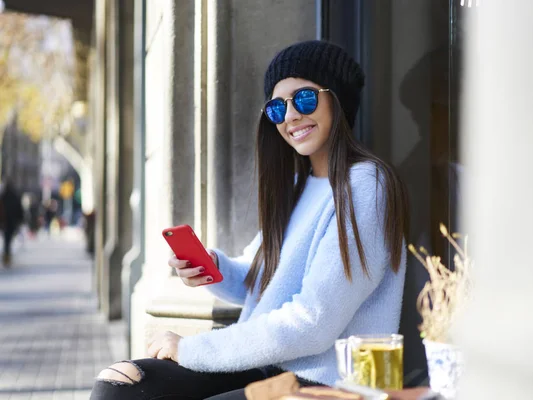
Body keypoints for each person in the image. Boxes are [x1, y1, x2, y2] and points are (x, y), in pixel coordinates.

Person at [90, 40, 409, 400]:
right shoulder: (298, 185)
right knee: (118, 384)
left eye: (304, 99)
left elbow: (313, 323)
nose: (290, 116)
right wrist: (212, 267)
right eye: (277, 107)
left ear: (339, 101)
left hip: (327, 384)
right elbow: (261, 278)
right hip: (267, 367)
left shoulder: (366, 186)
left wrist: (191, 349)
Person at [0, 179, 24, 266]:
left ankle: (6, 255)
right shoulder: (15, 196)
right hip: (12, 222)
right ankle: (7, 255)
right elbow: (20, 210)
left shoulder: (3, 196)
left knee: (7, 239)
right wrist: (20, 220)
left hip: (5, 221)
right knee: (8, 239)